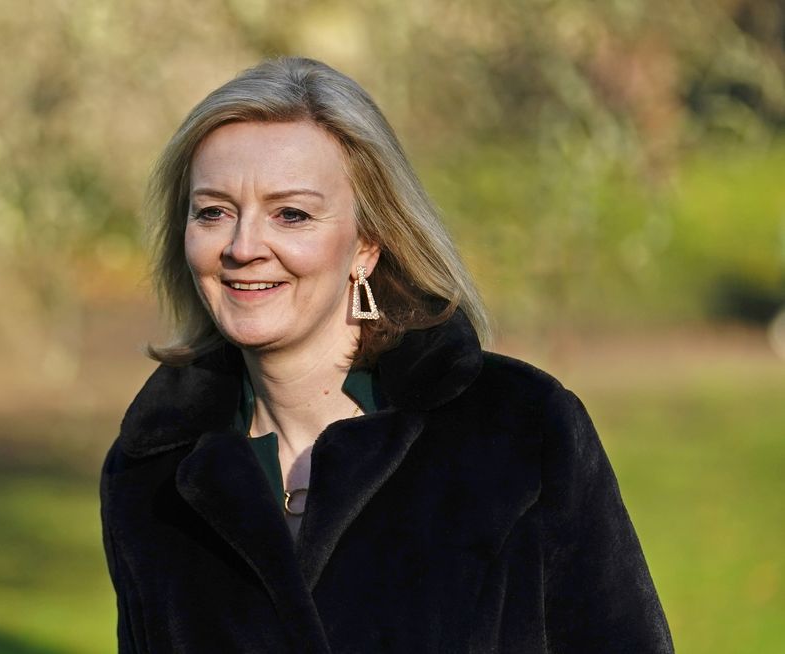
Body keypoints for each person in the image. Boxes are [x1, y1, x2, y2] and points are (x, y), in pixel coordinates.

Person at [100, 57, 674, 654]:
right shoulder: (147, 473)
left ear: (367, 245)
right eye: (213, 212)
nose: (243, 246)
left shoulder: (519, 428)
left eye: (290, 214)